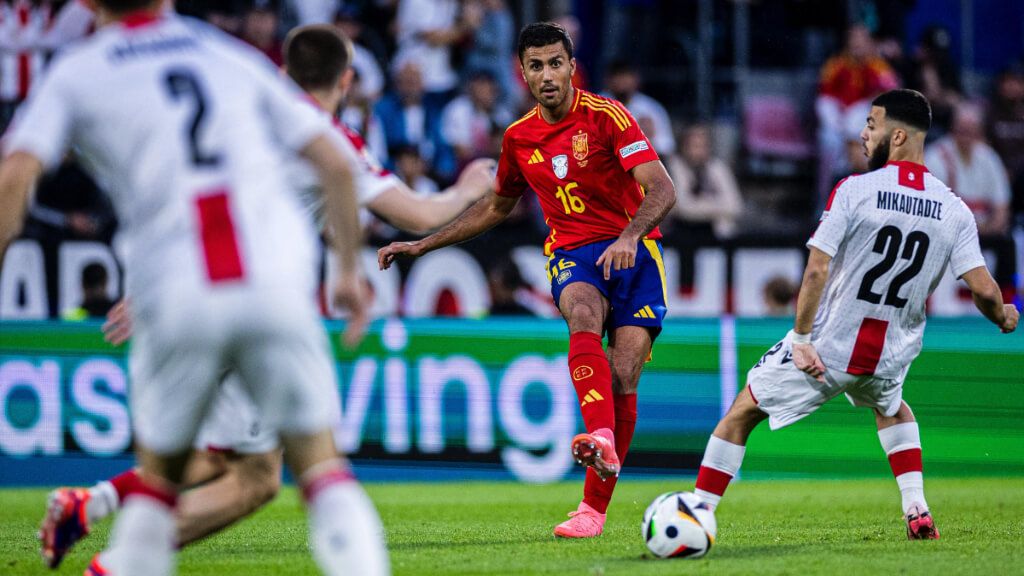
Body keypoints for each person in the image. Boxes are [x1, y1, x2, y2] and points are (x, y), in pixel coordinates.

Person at [36, 24, 494, 570]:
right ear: (347, 79)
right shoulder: (324, 135)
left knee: (208, 456)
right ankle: (111, 565)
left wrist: (154, 288)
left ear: (283, 70)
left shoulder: (243, 114)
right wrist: (467, 189)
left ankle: (92, 505)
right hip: (262, 299)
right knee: (267, 477)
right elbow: (417, 214)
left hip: (184, 289)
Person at [0, 3, 390, 575]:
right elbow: (333, 161)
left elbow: (14, 177)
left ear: (86, 4)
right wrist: (349, 273)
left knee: (161, 485)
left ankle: (108, 546)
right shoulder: (226, 54)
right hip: (272, 279)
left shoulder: (77, 72)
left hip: (176, 288)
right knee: (322, 471)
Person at [378, 21, 677, 538]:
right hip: (573, 253)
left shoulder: (607, 116)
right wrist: (423, 242)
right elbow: (495, 206)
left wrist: (630, 236)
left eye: (555, 63)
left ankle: (593, 511)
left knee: (625, 375)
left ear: (570, 66)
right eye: (535, 66)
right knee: (581, 312)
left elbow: (662, 189)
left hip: (635, 251)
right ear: (522, 73)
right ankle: (600, 437)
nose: (546, 75)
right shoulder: (519, 138)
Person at [689, 89, 1018, 543]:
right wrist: (1001, 315)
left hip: (829, 346)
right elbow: (982, 288)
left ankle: (696, 515)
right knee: (892, 408)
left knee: (742, 412)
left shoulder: (855, 189)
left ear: (897, 135)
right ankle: (916, 506)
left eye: (871, 124)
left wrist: (801, 338)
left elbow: (817, 269)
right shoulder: (954, 209)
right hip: (891, 353)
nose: (863, 135)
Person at [604, 60, 676, 156]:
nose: (622, 81)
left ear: (636, 79)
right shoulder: (595, 106)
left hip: (643, 163)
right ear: (607, 80)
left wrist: (648, 138)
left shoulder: (651, 108)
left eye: (626, 76)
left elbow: (667, 146)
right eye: (617, 76)